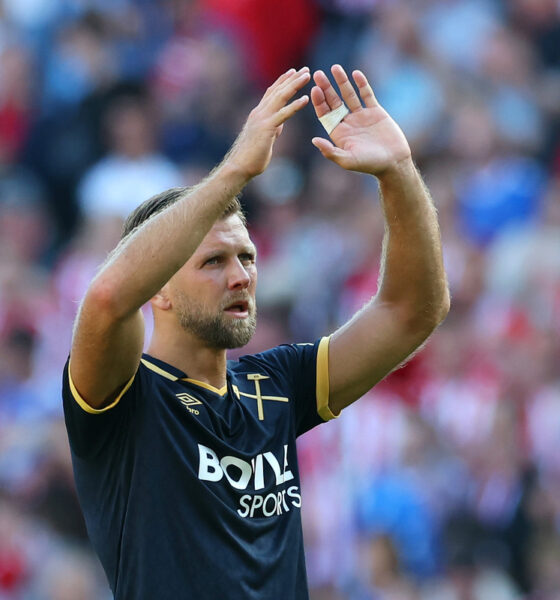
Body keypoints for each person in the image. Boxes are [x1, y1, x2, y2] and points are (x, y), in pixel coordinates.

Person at [62, 65, 449, 599]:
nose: (241, 275)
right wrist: (234, 171)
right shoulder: (123, 396)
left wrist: (399, 172)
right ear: (159, 290)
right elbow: (107, 299)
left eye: (246, 256)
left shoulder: (275, 384)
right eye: (213, 261)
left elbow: (412, 312)